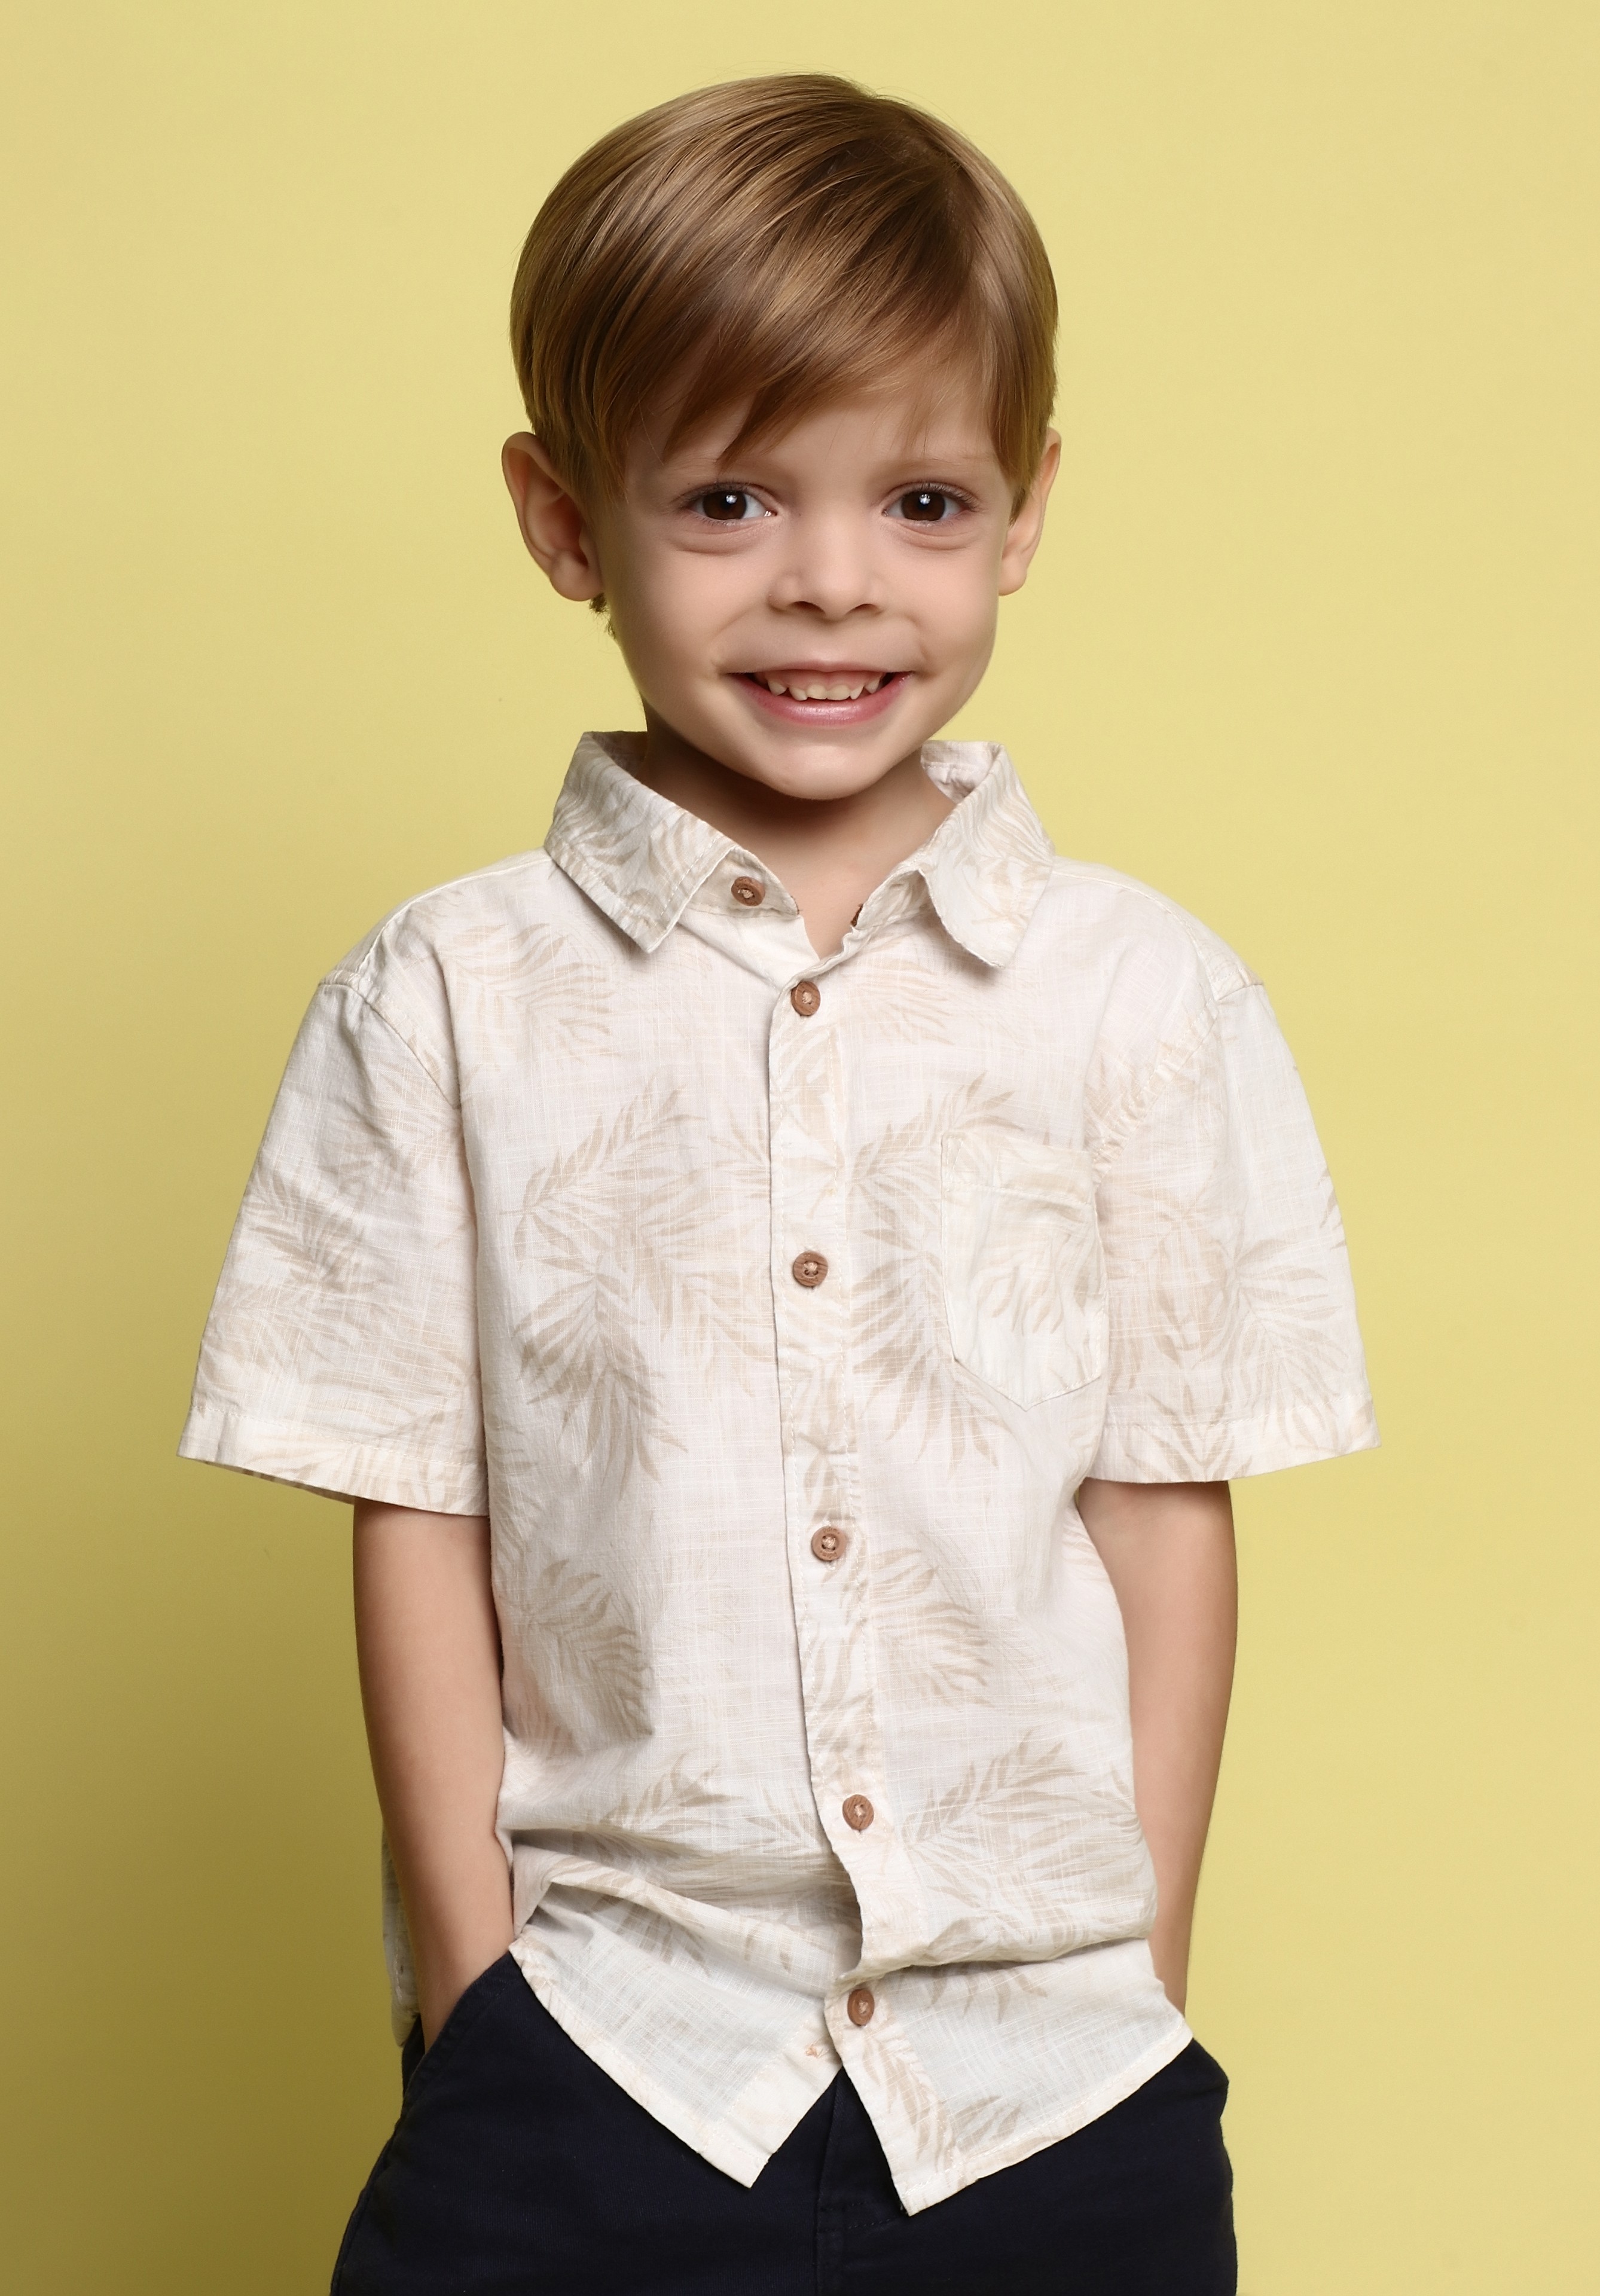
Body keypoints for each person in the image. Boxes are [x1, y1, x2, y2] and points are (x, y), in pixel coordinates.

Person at [180, 74, 1376, 2295]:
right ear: (565, 520)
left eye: (921, 499)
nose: (832, 580)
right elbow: (420, 1518)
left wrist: (1141, 1986)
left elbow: (1158, 1515)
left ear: (1022, 511)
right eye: (728, 498)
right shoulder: (443, 998)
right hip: (601, 2057)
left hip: (1049, 2088)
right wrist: (478, 2007)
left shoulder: (1143, 997)